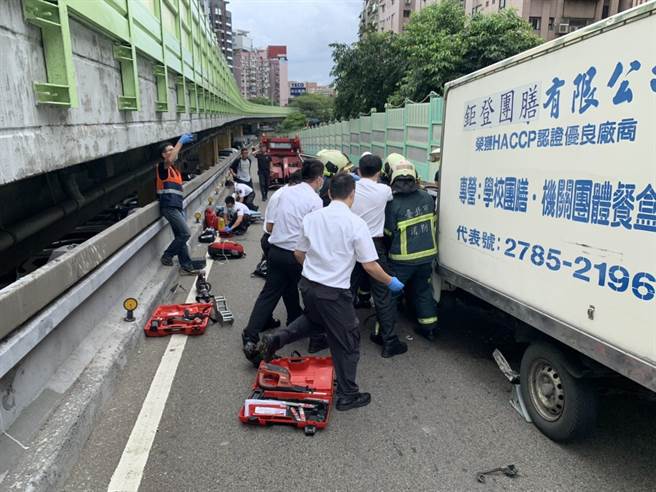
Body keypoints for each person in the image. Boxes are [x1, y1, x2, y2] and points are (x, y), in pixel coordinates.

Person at [257, 174, 405, 411]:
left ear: (327, 193)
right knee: (347, 340)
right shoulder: (356, 224)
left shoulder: (312, 218)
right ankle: (348, 394)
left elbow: (298, 252)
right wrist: (390, 282)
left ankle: (277, 339)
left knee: (314, 320)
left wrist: (314, 270)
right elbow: (369, 265)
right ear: (352, 195)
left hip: (308, 285)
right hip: (334, 293)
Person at [241, 159, 325, 364]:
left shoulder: (285, 192)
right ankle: (315, 338)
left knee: (270, 294)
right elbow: (314, 234)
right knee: (311, 294)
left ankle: (250, 336)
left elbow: (270, 225)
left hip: (276, 251)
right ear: (319, 179)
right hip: (296, 254)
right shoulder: (315, 201)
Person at [350, 154, 407, 358]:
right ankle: (389, 341)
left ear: (358, 170)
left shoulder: (351, 189)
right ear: (380, 172)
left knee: (346, 292)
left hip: (350, 246)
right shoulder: (383, 190)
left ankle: (343, 337)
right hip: (373, 245)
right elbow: (397, 190)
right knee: (383, 294)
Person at [384, 159, 439, 341]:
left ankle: (384, 331)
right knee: (423, 290)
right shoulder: (427, 198)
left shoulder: (392, 203)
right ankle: (429, 328)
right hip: (426, 256)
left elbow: (388, 232)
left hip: (401, 260)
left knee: (390, 295)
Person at [157, 134, 203, 275]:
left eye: (173, 149)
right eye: (169, 150)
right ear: (163, 155)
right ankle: (167, 255)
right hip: (168, 207)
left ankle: (186, 264)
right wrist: (180, 142)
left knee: (180, 236)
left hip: (176, 207)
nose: (173, 151)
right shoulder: (162, 167)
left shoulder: (175, 171)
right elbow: (171, 159)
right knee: (185, 233)